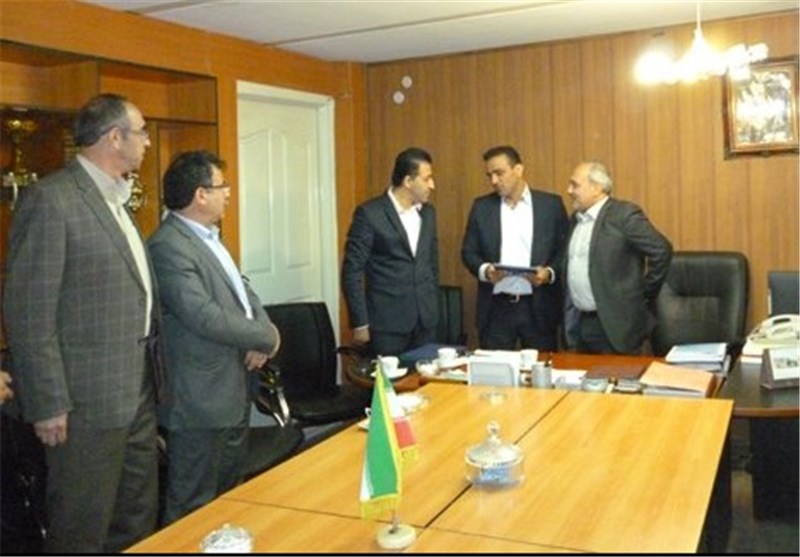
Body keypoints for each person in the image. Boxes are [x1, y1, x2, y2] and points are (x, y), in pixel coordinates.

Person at [2, 93, 161, 553]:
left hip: (137, 391)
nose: (148, 142)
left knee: (136, 520)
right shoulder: (52, 200)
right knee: (81, 527)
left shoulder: (118, 200)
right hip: (81, 404)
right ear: (115, 138)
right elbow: (29, 313)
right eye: (142, 132)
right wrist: (48, 402)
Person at [147, 150, 281, 525]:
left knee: (229, 497)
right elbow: (202, 315)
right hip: (199, 400)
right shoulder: (168, 246)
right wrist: (267, 336)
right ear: (200, 195)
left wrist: (263, 334)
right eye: (222, 186)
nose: (229, 193)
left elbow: (243, 293)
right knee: (193, 506)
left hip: (233, 388)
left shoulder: (209, 237)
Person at [461, 146, 569, 351]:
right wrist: (486, 271)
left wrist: (549, 273)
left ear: (518, 169)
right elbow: (469, 252)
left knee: (540, 368)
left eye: (499, 173)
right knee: (495, 368)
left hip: (539, 306)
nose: (494, 181)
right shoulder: (482, 207)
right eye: (490, 175)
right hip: (496, 308)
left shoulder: (551, 205)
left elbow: (563, 250)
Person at [563, 161, 673, 354]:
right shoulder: (576, 219)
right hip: (579, 322)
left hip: (615, 325)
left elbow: (661, 250)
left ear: (596, 188)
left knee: (619, 373)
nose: (569, 190)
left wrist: (643, 293)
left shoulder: (623, 214)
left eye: (575, 185)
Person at [342, 147, 439, 357]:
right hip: (387, 325)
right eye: (427, 179)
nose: (432, 185)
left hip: (425, 322)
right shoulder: (370, 214)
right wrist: (360, 323)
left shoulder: (428, 213)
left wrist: (433, 305)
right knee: (388, 379)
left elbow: (431, 264)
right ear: (408, 181)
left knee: (426, 378)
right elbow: (352, 271)